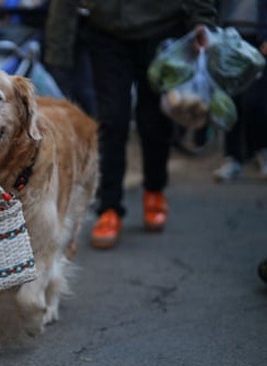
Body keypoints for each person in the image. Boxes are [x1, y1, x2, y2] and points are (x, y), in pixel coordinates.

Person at [82, 0, 217, 249]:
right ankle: (108, 208)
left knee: (154, 120)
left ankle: (154, 189)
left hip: (163, 28)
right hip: (106, 28)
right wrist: (58, 46)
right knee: (112, 120)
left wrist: (202, 19)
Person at [212, 0, 267, 182]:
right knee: (231, 100)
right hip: (228, 34)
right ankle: (233, 158)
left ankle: (259, 149)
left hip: (258, 36)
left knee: (255, 100)